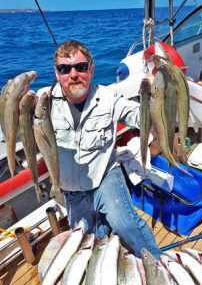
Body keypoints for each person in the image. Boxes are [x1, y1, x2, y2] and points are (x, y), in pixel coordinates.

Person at [44, 40, 162, 259]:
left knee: (125, 223)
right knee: (85, 239)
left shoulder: (108, 97)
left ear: (91, 69)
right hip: (71, 189)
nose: (73, 74)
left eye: (80, 67)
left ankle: (157, 262)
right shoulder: (44, 101)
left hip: (106, 175)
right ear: (56, 72)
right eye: (64, 69)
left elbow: (138, 115)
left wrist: (158, 96)